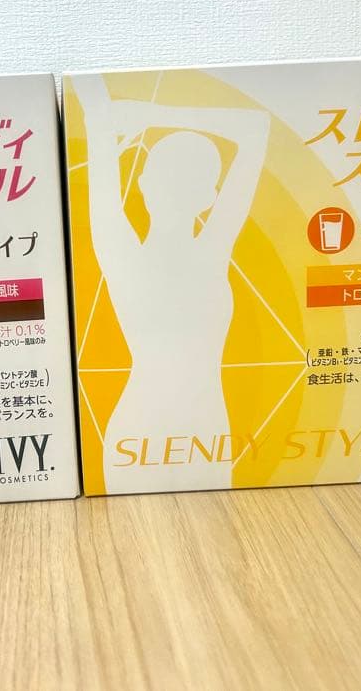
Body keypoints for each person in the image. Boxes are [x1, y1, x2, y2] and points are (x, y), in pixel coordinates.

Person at [72, 77, 271, 493]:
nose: (177, 188)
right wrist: (142, 117)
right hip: (143, 432)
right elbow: (97, 116)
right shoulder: (127, 251)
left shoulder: (208, 250)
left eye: (191, 179)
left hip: (205, 432)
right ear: (144, 183)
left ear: (209, 196)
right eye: (169, 175)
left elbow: (258, 126)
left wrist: (153, 115)